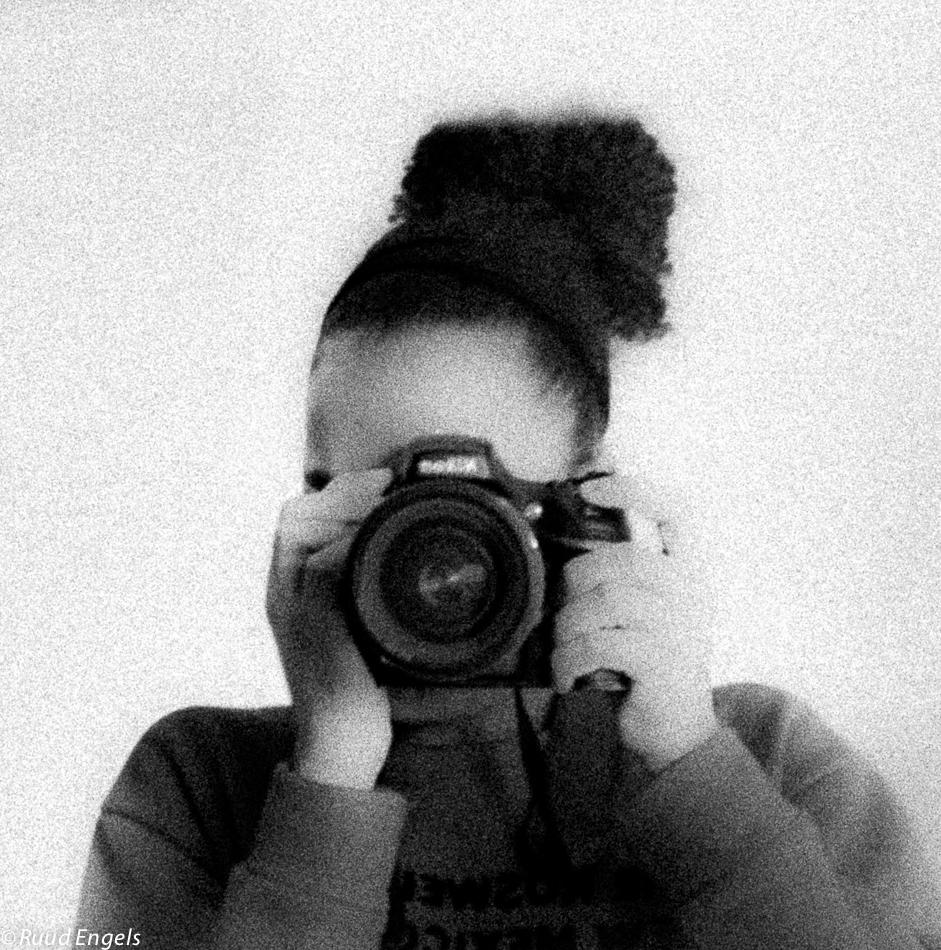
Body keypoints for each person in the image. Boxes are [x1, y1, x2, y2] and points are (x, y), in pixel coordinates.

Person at [75, 114, 940, 949]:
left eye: (477, 504)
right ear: (310, 504)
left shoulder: (770, 763)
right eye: (380, 504)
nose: (428, 562)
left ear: (591, 503)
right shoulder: (196, 788)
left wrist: (692, 771)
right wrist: (329, 773)